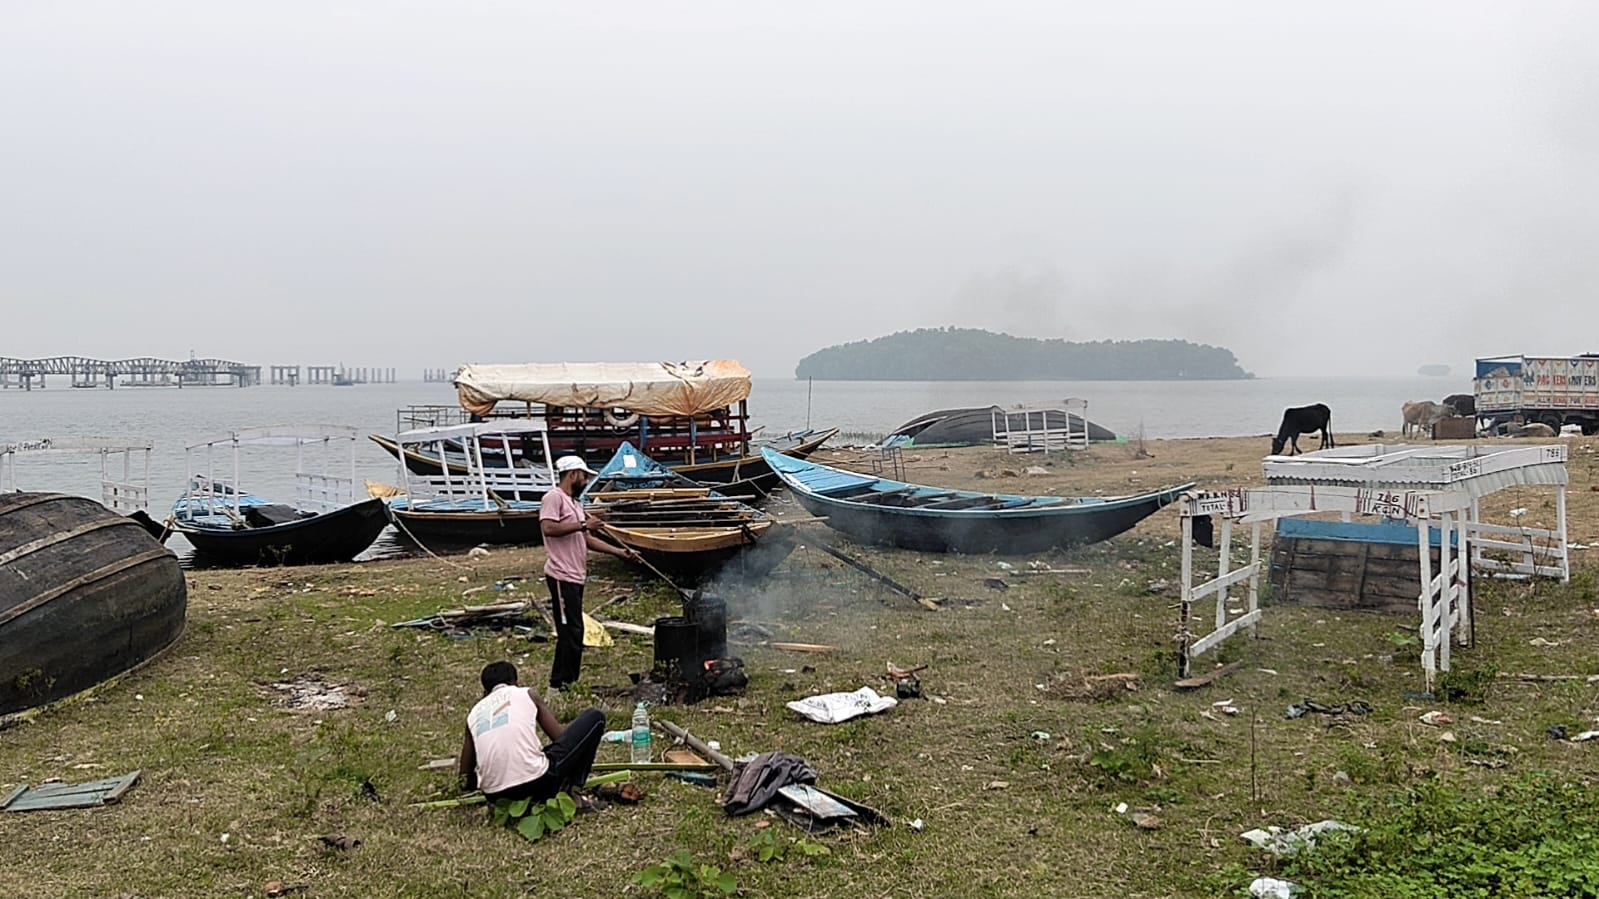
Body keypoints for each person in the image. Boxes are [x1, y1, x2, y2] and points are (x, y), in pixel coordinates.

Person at [540, 454, 639, 690]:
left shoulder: (575, 504)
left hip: (576, 575)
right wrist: (585, 524)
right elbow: (549, 527)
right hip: (561, 575)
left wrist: (619, 552)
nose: (586, 481)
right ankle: (559, 685)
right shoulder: (553, 497)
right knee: (568, 631)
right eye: (584, 476)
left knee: (576, 630)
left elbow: (586, 539)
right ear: (572, 474)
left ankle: (570, 682)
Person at [457, 661, 607, 805]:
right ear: (515, 682)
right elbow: (560, 739)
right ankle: (573, 791)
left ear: (485, 691)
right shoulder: (526, 694)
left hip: (495, 796)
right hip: (538, 784)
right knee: (595, 718)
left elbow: (464, 777)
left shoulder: (474, 714)